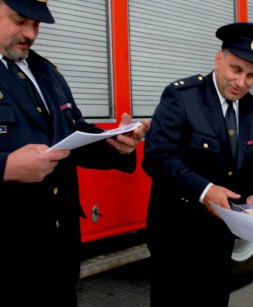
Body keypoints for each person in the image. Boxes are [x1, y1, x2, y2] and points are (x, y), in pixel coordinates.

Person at [0, 0, 150, 306]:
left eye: (37, 24)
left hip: (58, 246)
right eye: (19, 20)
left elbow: (71, 132)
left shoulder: (44, 71)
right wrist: (5, 166)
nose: (30, 33)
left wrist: (115, 143)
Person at [142, 22, 253, 306]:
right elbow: (157, 156)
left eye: (251, 75)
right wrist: (205, 190)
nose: (241, 82)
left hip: (220, 238)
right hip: (177, 236)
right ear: (219, 59)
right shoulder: (182, 97)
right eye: (236, 69)